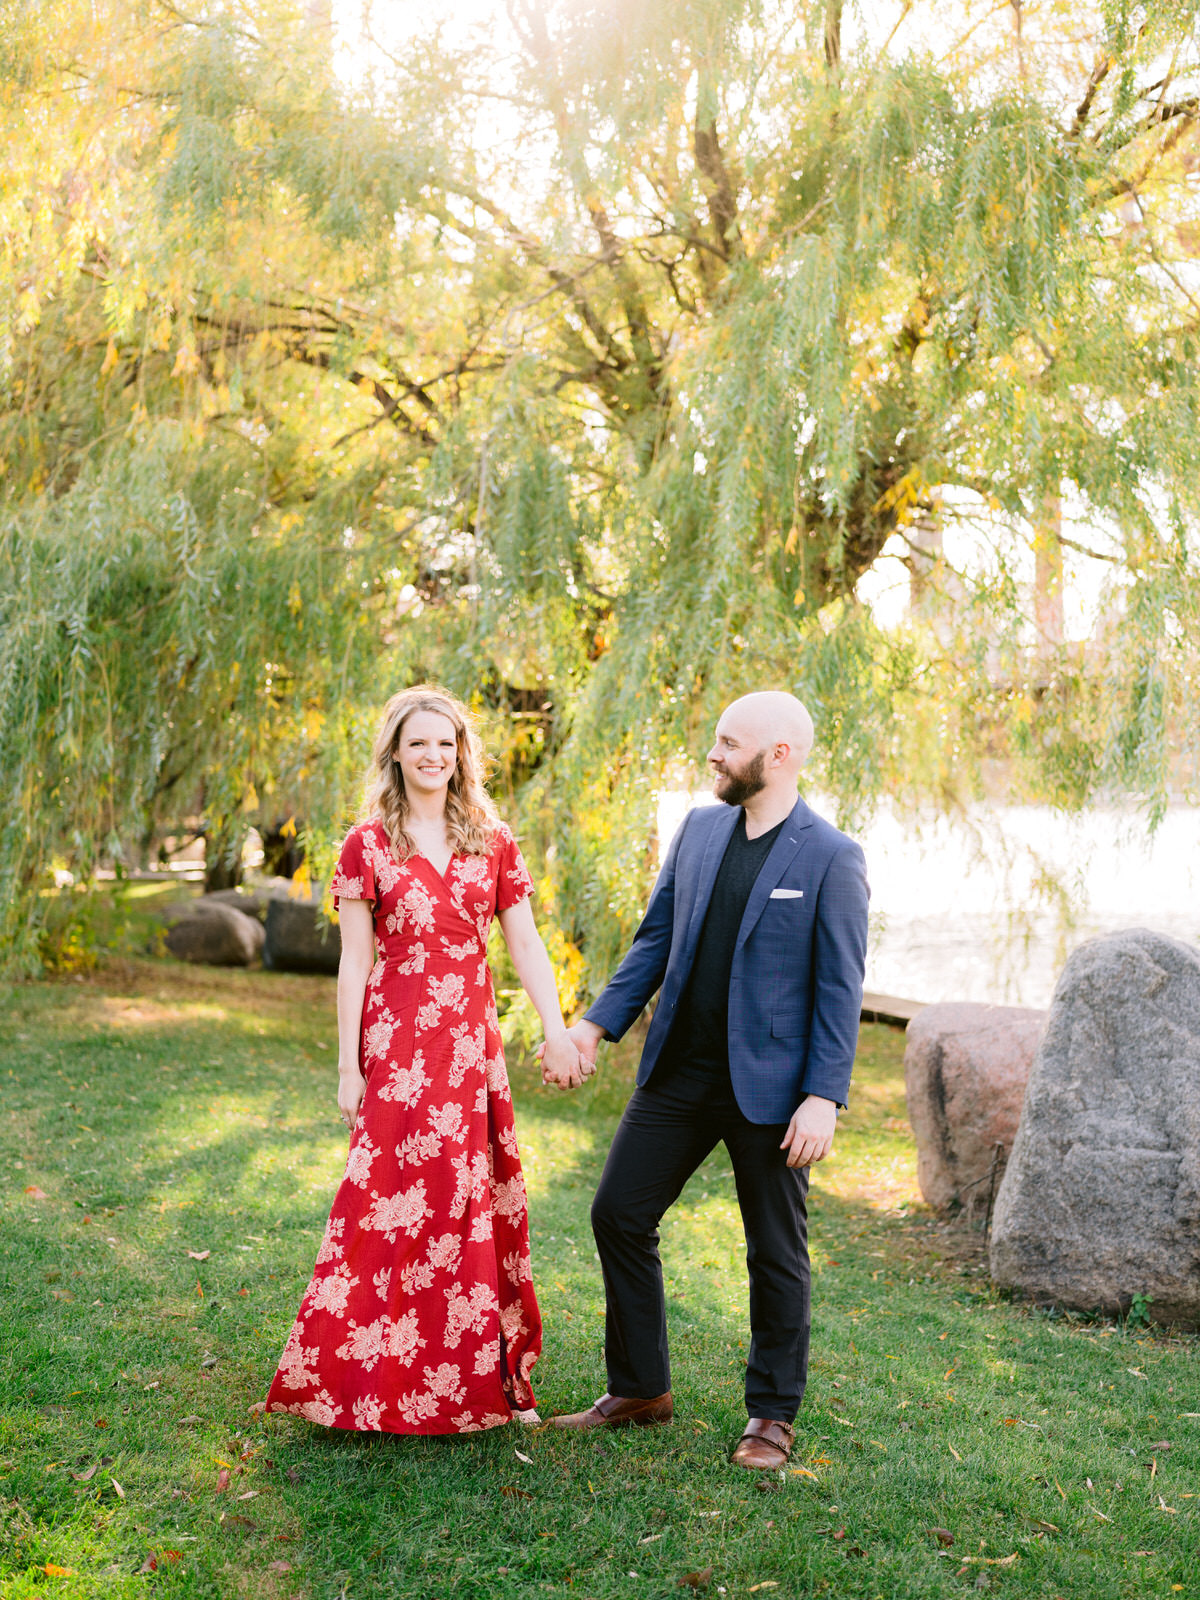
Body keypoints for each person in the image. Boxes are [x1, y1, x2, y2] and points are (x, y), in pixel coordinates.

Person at [551, 691, 868, 1470]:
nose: (714, 754)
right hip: (678, 1074)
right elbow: (654, 940)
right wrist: (593, 1026)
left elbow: (839, 988)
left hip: (775, 1091)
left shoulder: (831, 856)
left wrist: (824, 1096)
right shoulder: (697, 830)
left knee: (775, 1253)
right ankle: (640, 1389)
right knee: (618, 1213)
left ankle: (771, 1417)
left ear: (781, 756)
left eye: (730, 743)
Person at [264, 685, 583, 1435]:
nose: (433, 755)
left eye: (446, 743)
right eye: (418, 743)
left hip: (470, 1047)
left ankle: (475, 1381)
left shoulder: (493, 840)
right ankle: (364, 1377)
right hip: (398, 1047)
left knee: (468, 1203)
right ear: (396, 754)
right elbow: (353, 963)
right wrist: (349, 1067)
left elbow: (526, 944)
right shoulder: (366, 844)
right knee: (386, 1205)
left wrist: (558, 1028)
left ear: (461, 753)